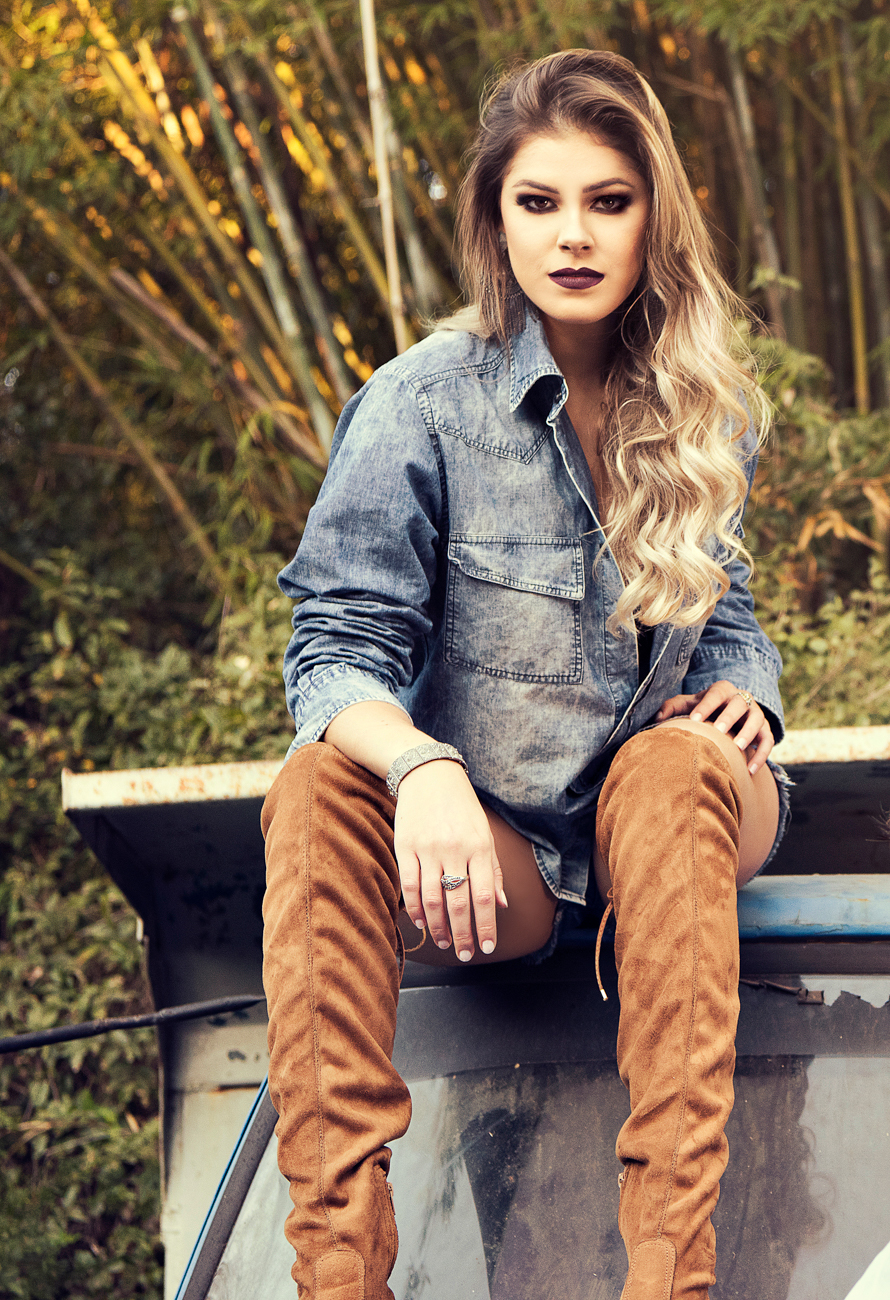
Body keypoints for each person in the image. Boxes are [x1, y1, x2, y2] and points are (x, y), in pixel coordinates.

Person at [260, 48, 790, 1300]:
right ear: (494, 221)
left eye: (607, 200)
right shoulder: (418, 405)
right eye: (537, 201)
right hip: (502, 850)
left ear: (653, 215)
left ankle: (669, 1280)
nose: (572, 235)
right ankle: (336, 1274)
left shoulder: (702, 402)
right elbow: (333, 650)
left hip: (675, 804)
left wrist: (747, 687)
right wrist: (424, 768)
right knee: (313, 790)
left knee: (667, 771)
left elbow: (726, 608)